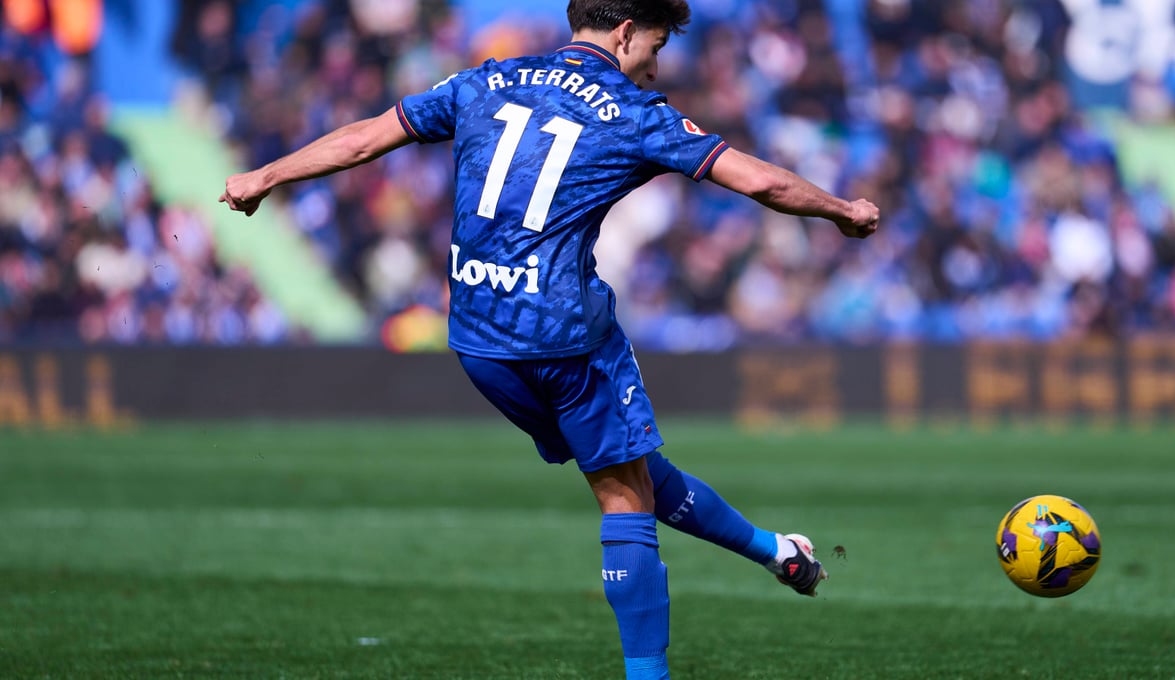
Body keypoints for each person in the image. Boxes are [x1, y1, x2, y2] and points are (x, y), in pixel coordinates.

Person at [220, 1, 880, 677]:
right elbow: (761, 180)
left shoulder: (485, 80)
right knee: (625, 497)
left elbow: (364, 139)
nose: (655, 67)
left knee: (633, 470)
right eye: (654, 48)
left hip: (479, 342)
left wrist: (265, 176)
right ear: (625, 32)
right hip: (563, 340)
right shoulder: (634, 112)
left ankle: (777, 552)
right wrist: (843, 210)